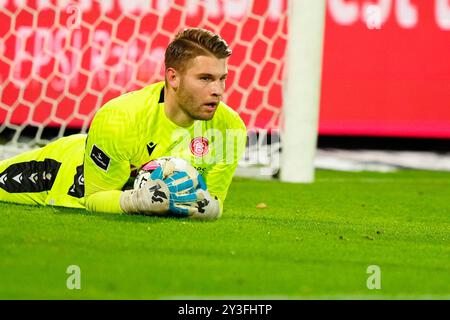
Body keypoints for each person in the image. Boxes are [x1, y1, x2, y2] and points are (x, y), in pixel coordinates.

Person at [0, 28, 247, 220]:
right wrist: (137, 201)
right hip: (60, 173)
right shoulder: (120, 118)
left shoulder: (230, 129)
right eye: (205, 78)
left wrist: (208, 207)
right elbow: (94, 198)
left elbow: (210, 198)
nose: (217, 90)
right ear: (173, 77)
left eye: (221, 79)